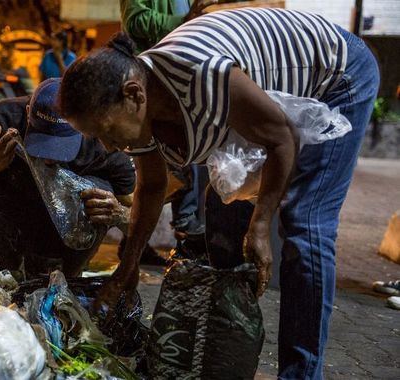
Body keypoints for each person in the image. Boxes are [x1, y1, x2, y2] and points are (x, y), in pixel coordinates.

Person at [58, 8, 379, 379]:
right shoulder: (142, 103)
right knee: (222, 211)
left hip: (338, 74)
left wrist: (261, 224)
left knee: (304, 221)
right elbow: (151, 187)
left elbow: (282, 138)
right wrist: (126, 271)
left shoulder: (202, 74)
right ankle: (225, 354)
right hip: (274, 102)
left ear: (134, 96)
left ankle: (302, 372)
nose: (109, 147)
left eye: (107, 131)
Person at [0, 79, 135, 279]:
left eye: (60, 147)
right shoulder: (2, 117)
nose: (49, 157)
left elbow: (136, 219)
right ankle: (7, 277)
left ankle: (66, 275)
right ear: (28, 110)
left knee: (97, 193)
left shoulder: (104, 141)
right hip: (14, 213)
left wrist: (118, 213)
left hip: (67, 234)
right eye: (42, 142)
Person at [121, 0, 217, 242]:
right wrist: (182, 23)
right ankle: (180, 224)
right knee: (167, 168)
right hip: (155, 84)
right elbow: (135, 20)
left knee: (184, 162)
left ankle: (141, 242)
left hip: (180, 84)